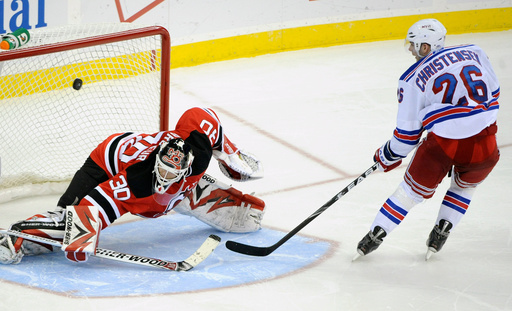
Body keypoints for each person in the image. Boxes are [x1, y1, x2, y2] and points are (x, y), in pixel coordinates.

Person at [0, 107, 265, 264]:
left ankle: (189, 195)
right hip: (105, 162)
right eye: (161, 169)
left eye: (172, 173)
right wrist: (80, 242)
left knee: (169, 195)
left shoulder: (198, 155)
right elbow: (92, 205)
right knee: (67, 220)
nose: (164, 176)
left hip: (172, 180)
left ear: (188, 167)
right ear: (157, 159)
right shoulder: (134, 182)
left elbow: (200, 117)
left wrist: (228, 154)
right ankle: (14, 240)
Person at [355, 18, 500, 260]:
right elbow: (493, 92)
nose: (410, 50)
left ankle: (374, 235)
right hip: (486, 141)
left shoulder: (411, 78)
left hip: (444, 144)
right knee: (465, 186)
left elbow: (406, 138)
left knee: (409, 193)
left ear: (426, 47)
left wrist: (385, 155)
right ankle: (443, 229)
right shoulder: (475, 52)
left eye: (413, 45)